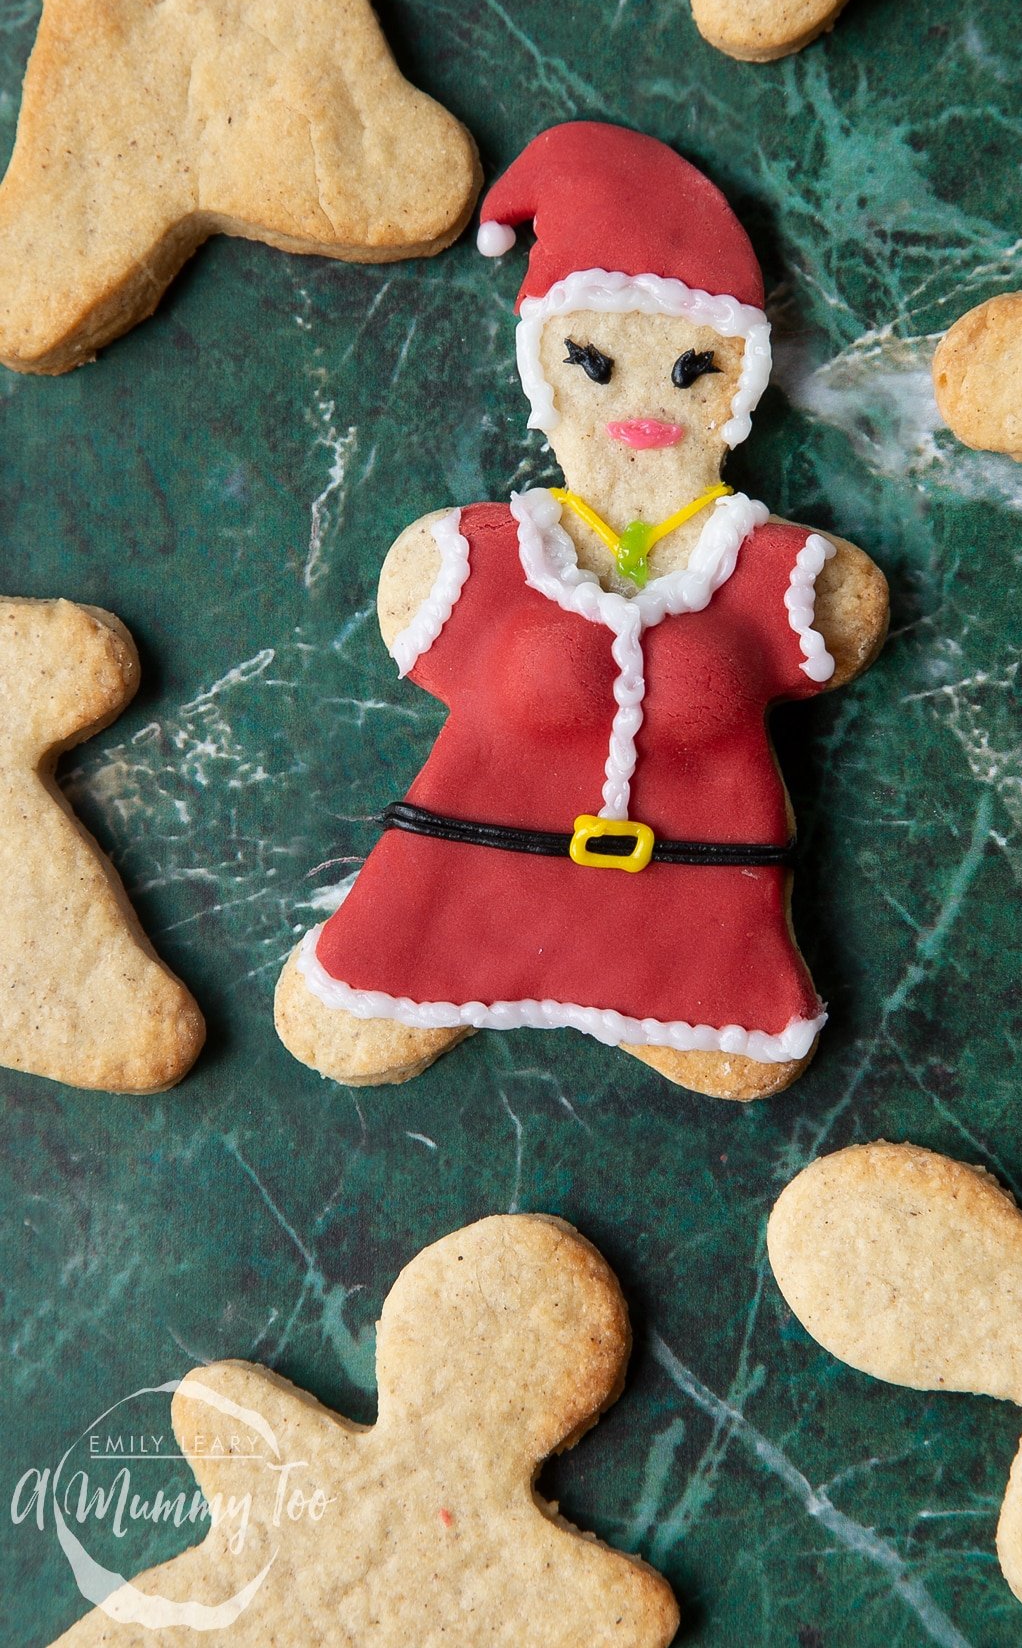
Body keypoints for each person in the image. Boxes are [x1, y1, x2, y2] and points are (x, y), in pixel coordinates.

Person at [275, 123, 888, 1102]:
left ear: (740, 375)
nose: (644, 401)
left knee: (739, 1057)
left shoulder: (797, 581)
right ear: (547, 370)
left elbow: (836, 634)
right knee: (350, 1016)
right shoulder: (461, 561)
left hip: (698, 948)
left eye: (694, 369)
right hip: (449, 910)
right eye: (596, 364)